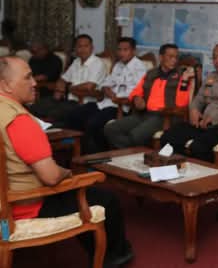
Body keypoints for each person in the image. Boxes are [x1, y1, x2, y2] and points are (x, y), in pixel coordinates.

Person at [0, 56, 133, 267]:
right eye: (27, 77)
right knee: (105, 199)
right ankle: (114, 257)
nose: (34, 83)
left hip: (5, 200)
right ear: (6, 85)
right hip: (25, 206)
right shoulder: (19, 121)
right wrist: (68, 173)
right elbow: (51, 177)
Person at [160, 43, 218, 162]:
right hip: (205, 125)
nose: (217, 61)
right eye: (214, 57)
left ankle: (205, 172)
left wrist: (215, 115)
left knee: (198, 147)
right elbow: (199, 99)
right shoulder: (211, 77)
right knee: (168, 137)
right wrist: (194, 109)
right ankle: (178, 167)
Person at [65, 37, 147, 154]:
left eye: (125, 50)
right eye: (119, 49)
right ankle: (77, 150)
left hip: (121, 107)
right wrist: (107, 89)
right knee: (74, 114)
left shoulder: (139, 68)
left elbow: (136, 93)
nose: (121, 53)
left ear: (133, 51)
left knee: (93, 123)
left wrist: (115, 97)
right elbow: (105, 84)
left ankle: (97, 154)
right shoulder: (118, 65)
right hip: (104, 102)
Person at [104, 44, 193, 149]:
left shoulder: (182, 76)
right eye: (170, 56)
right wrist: (137, 98)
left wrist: (184, 81)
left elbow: (181, 103)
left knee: (135, 136)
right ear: (161, 57)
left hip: (164, 117)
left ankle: (125, 153)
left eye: (176, 57)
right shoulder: (151, 73)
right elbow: (136, 91)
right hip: (144, 114)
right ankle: (128, 152)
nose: (174, 60)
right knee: (110, 129)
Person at [28, 34, 107, 122]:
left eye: (86, 46)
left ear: (92, 48)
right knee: (35, 107)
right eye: (79, 46)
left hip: (85, 103)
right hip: (68, 99)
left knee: (54, 113)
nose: (83, 50)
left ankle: (47, 129)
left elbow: (89, 86)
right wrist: (60, 87)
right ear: (75, 49)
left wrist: (70, 88)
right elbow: (63, 79)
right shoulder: (76, 62)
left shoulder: (97, 63)